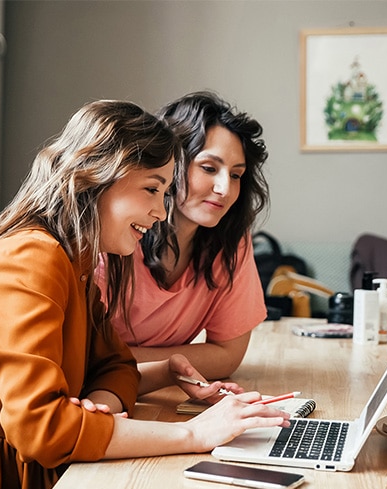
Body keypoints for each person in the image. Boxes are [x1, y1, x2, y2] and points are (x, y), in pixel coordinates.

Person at [0, 100, 289, 489]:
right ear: (96, 177)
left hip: (24, 471)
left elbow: (113, 366)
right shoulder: (31, 257)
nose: (161, 212)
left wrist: (143, 381)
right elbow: (41, 430)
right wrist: (194, 434)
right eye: (152, 190)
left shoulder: (77, 259)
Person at [97, 91, 270, 393]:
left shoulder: (231, 241)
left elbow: (227, 356)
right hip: (101, 396)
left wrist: (129, 361)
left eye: (237, 175)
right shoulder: (113, 235)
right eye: (209, 168)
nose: (224, 189)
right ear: (169, 162)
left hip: (153, 390)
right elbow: (83, 361)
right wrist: (177, 362)